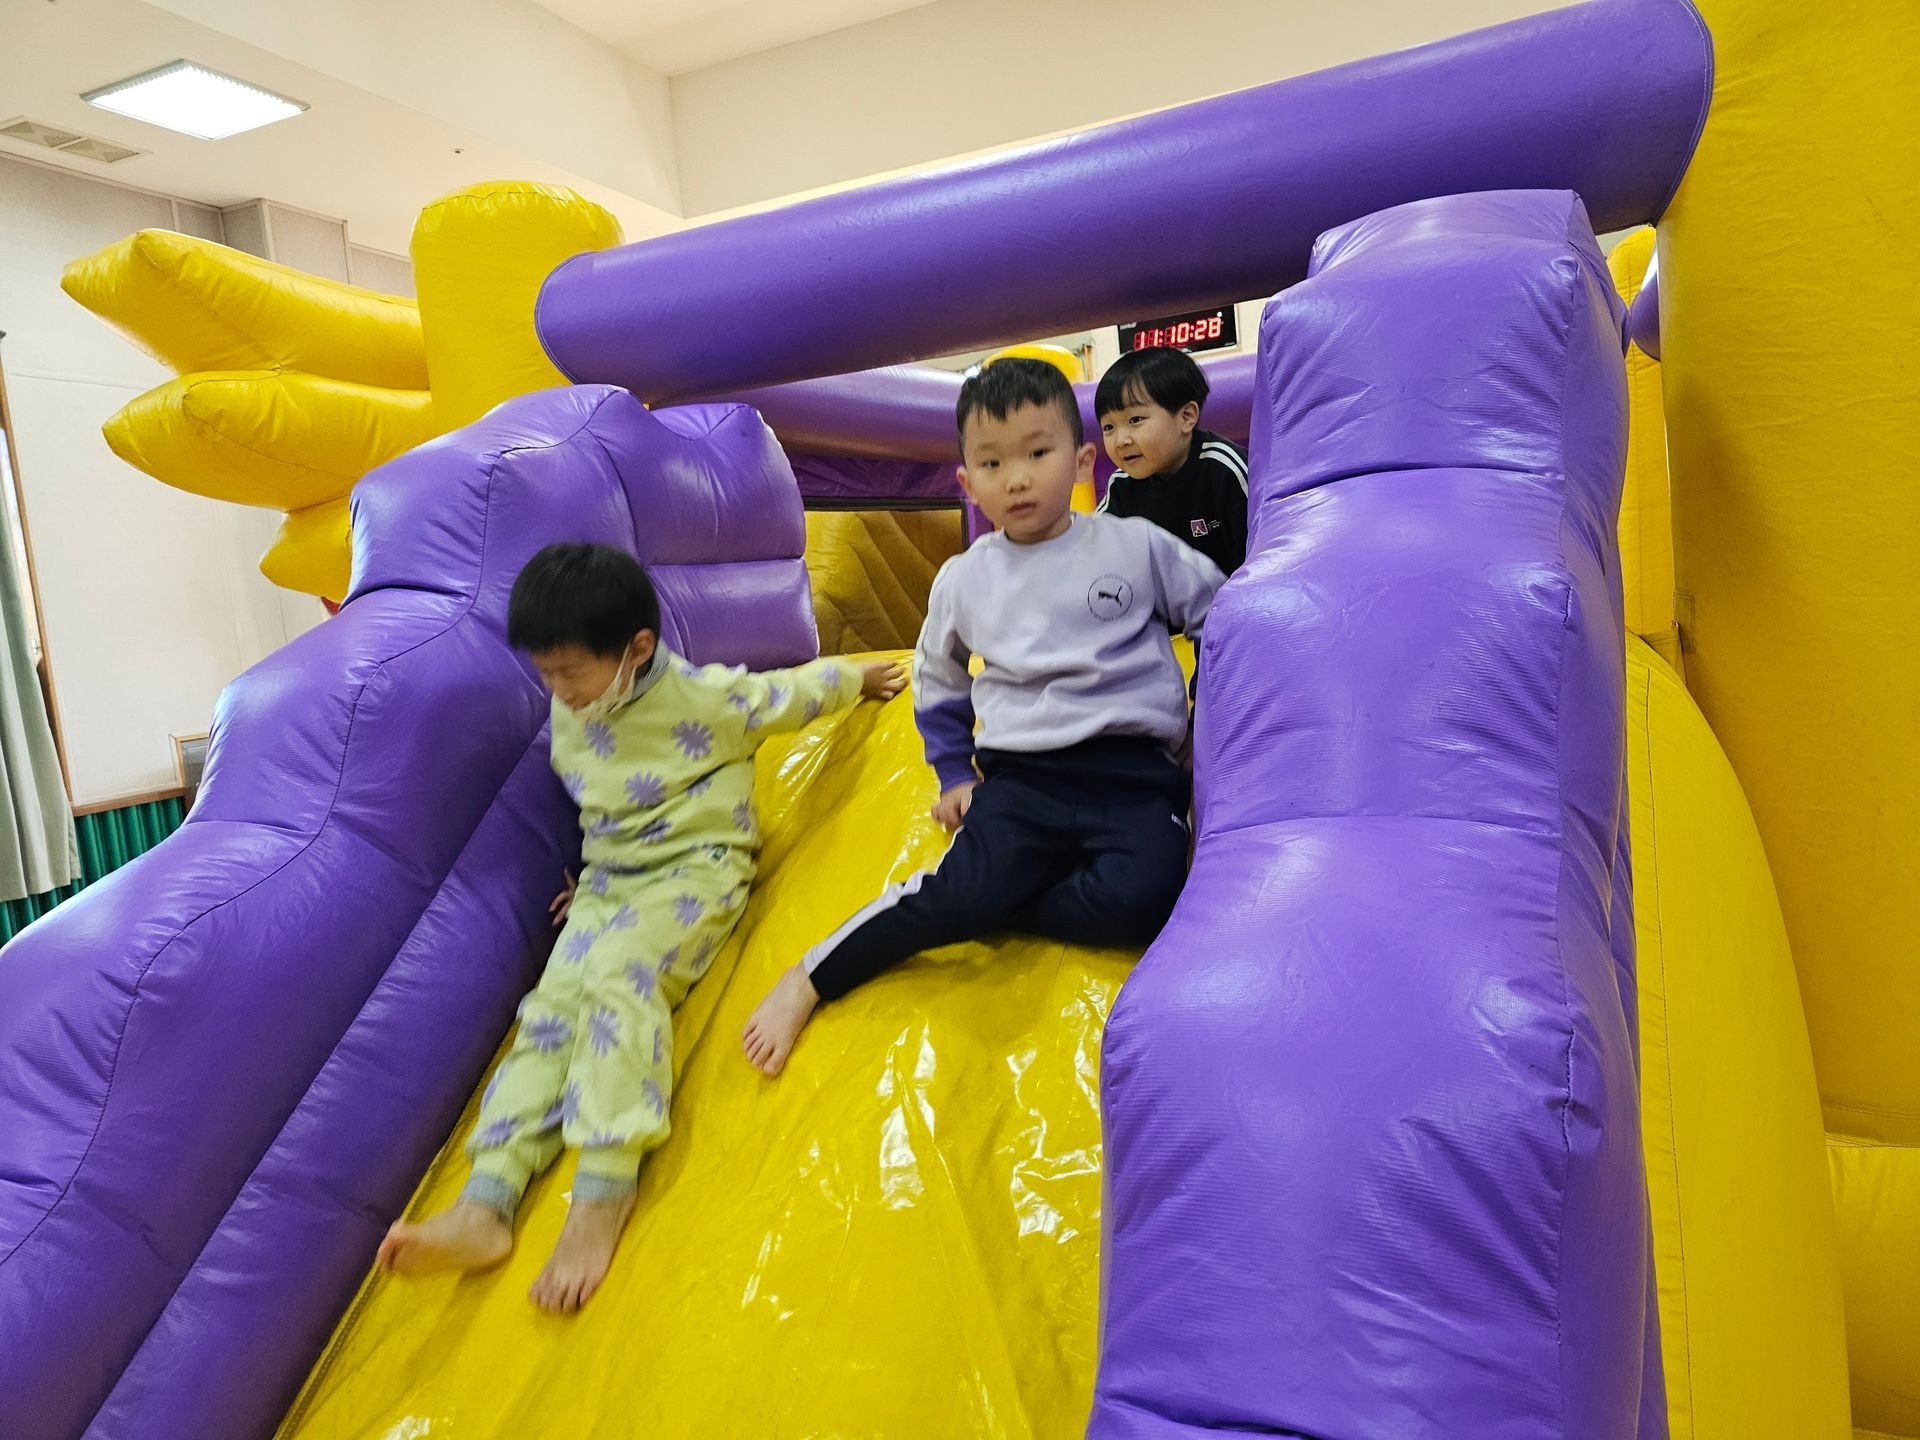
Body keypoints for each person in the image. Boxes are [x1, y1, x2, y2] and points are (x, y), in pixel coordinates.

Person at [377, 542, 903, 1312]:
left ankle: (603, 1187)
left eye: (570, 672)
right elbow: (605, 803)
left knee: (619, 977)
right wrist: (592, 875)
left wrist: (858, 679)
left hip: (696, 871)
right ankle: (486, 1199)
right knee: (549, 1012)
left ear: (638, 649)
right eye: (546, 673)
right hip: (609, 881)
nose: (558, 691)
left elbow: (785, 693)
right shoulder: (575, 706)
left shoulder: (701, 699)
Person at [742, 358, 1223, 1078]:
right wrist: (953, 774)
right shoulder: (965, 578)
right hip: (1024, 780)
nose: (1017, 478)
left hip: (1132, 775)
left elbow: (1221, 612)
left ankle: (999, 901)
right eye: (993, 463)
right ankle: (810, 976)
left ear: (1081, 462)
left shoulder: (1134, 545)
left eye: (1038, 452)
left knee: (1147, 900)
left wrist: (1203, 719)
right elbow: (938, 677)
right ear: (968, 483)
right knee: (956, 897)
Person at [1094, 346, 1249, 575]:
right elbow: (1096, 552)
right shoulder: (1121, 484)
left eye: (1135, 420)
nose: (1121, 441)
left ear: (1186, 417)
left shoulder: (1224, 468)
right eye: (1108, 427)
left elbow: (1264, 551)